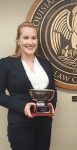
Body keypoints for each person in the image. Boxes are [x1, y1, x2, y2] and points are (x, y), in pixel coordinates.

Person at [0, 21, 57, 150]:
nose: (30, 42)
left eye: (33, 38)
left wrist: (52, 106)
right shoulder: (6, 64)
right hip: (20, 125)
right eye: (25, 37)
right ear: (18, 40)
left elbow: (53, 90)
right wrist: (23, 105)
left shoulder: (46, 64)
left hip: (44, 124)